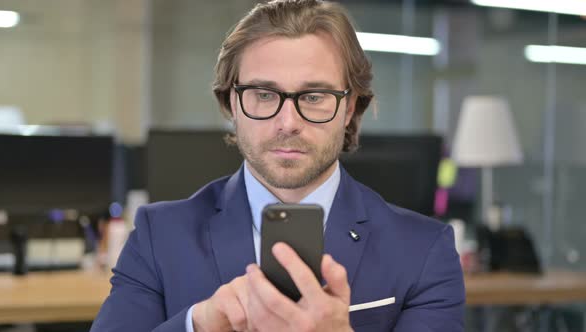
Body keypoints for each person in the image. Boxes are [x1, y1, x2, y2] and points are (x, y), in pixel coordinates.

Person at [90, 0, 465, 331]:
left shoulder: (424, 251)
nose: (287, 123)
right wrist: (198, 325)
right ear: (232, 103)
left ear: (349, 108)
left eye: (314, 96)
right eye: (264, 94)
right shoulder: (159, 236)